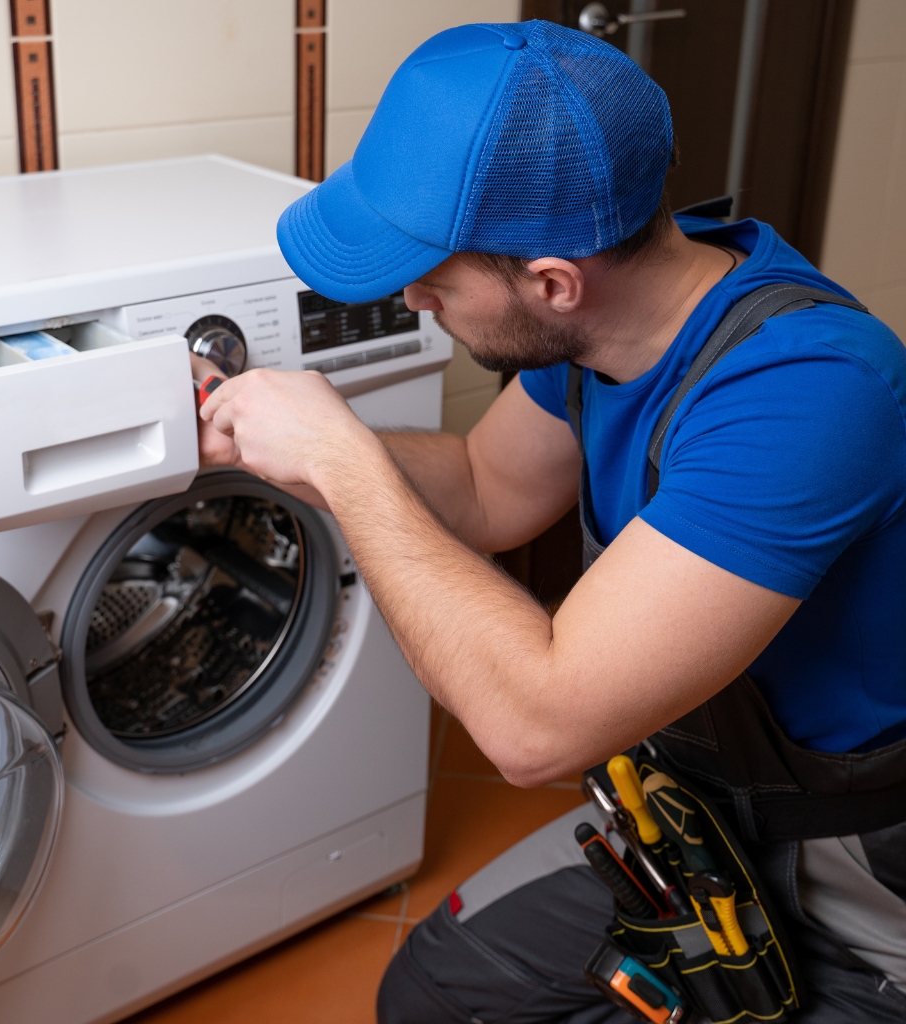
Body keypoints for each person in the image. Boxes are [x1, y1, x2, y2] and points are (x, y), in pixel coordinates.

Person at [193, 20, 906, 1023]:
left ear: (552, 280)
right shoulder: (605, 331)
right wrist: (285, 442)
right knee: (432, 992)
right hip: (694, 817)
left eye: (434, 278)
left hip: (861, 871)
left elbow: (534, 726)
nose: (412, 296)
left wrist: (344, 465)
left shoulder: (804, 392)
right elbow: (487, 488)